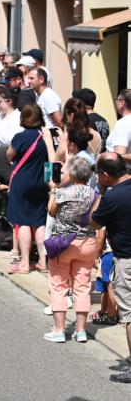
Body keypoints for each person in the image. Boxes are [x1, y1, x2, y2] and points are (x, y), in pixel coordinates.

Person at [45, 156, 101, 343]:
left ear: (73, 174)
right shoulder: (95, 194)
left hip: (64, 243)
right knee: (82, 287)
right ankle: (81, 330)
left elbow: (51, 211)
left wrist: (53, 190)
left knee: (59, 285)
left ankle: (60, 330)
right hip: (87, 244)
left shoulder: (64, 193)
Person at [90, 155, 131, 382]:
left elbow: (94, 222)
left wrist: (100, 194)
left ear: (106, 176)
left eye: (98, 174)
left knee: (130, 315)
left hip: (126, 261)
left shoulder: (112, 197)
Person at [6, 104, 52, 274]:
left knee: (23, 221)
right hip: (41, 183)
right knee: (39, 221)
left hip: (22, 183)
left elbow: (9, 155)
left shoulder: (20, 137)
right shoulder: (44, 137)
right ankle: (42, 260)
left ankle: (24, 263)